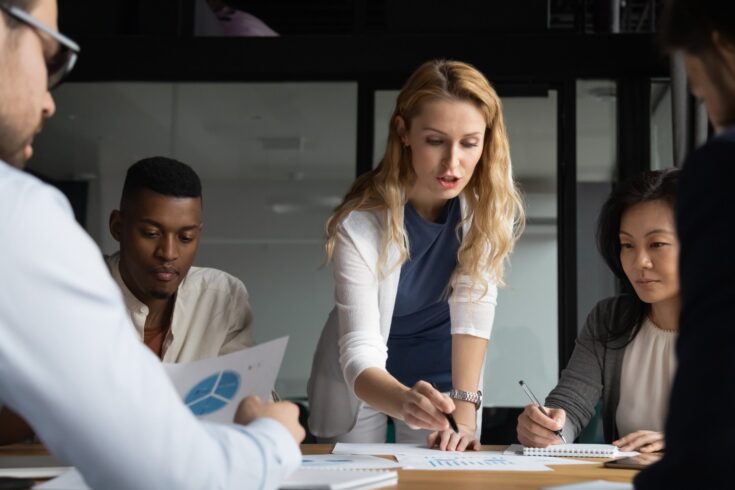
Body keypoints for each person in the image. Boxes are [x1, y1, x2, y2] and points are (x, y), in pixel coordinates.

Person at [0, 1, 304, 488]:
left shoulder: (223, 296)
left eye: (186, 237)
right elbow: (163, 472)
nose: (49, 101)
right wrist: (272, 439)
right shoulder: (18, 218)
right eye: (51, 55)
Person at [308, 59, 525, 451]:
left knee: (446, 473)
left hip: (444, 373)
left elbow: (473, 318)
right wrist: (404, 400)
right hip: (364, 377)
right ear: (403, 133)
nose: (452, 163)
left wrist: (464, 412)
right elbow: (359, 350)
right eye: (435, 140)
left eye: (469, 143)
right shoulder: (359, 226)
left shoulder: (488, 212)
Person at [635, 1, 735, 488]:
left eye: (696, 80)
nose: (699, 93)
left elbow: (717, 360)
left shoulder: (721, 169)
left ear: (721, 46)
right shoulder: (611, 321)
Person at [516, 169, 680, 453]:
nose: (639, 261)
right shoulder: (610, 318)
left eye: (657, 244)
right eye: (627, 245)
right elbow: (571, 403)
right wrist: (550, 429)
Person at [107, 156, 253, 361]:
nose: (168, 253)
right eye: (151, 233)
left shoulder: (222, 297)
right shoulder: (78, 292)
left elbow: (245, 386)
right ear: (118, 227)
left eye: (186, 237)